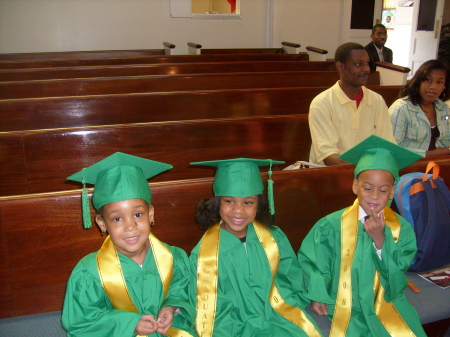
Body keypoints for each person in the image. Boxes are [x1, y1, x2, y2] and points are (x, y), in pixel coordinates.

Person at [298, 135, 427, 337]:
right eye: (367, 188)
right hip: (340, 299)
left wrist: (380, 241)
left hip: (384, 300)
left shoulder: (400, 229)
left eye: (383, 190)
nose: (375, 195)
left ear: (392, 191)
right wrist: (318, 295)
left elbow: (399, 268)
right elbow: (315, 263)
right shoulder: (331, 225)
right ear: (355, 186)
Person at [61, 152, 197, 337]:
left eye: (138, 214)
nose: (130, 226)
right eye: (117, 218)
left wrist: (172, 307)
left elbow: (184, 289)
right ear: (102, 223)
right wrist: (130, 324)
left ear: (151, 214)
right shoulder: (89, 273)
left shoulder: (175, 258)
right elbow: (82, 322)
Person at [189, 158, 323, 337]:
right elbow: (205, 301)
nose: (238, 211)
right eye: (229, 201)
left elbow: (291, 276)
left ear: (259, 205)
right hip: (231, 324)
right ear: (217, 203)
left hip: (276, 314)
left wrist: (306, 296)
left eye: (248, 202)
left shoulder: (274, 238)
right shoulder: (205, 253)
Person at [308, 42, 395, 166]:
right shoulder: (322, 103)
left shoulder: (377, 100)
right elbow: (329, 157)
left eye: (367, 63)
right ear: (340, 67)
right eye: (358, 64)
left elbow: (386, 145)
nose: (366, 69)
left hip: (368, 175)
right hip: (330, 175)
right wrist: (364, 171)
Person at [389, 59, 450, 157]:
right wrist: (433, 154)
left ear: (444, 86)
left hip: (441, 164)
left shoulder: (443, 108)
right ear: (418, 82)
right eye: (428, 80)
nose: (433, 86)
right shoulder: (401, 108)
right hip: (410, 165)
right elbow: (393, 148)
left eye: (439, 82)